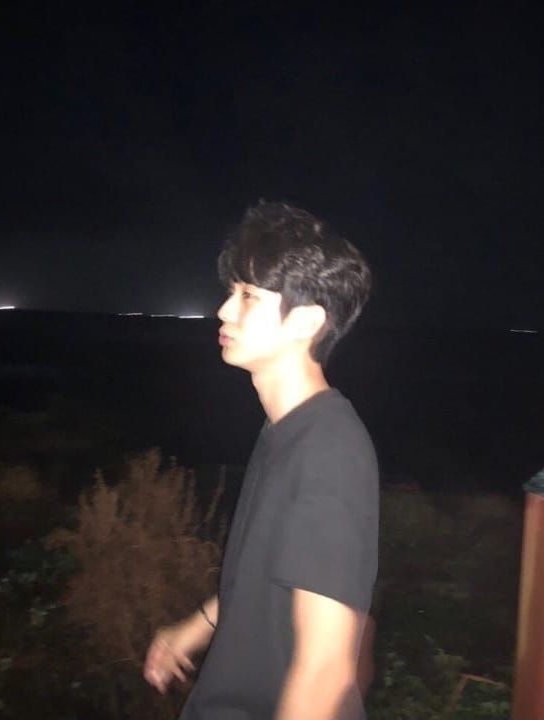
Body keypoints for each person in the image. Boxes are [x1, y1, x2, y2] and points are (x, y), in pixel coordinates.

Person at [143, 201, 379, 719]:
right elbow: (270, 575)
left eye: (248, 296)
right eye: (231, 292)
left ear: (306, 322)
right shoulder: (285, 432)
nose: (225, 310)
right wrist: (195, 628)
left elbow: (325, 671)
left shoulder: (331, 450)